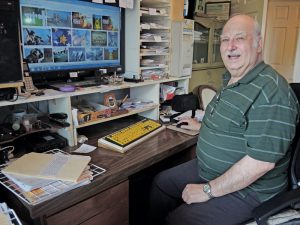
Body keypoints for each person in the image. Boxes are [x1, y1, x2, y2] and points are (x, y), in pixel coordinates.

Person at [149, 14, 299, 225]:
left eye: (239, 38)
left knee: (180, 220)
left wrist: (207, 191)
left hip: (252, 190)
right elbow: (234, 125)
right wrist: (202, 127)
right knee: (160, 184)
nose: (230, 46)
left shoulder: (272, 93)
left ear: (259, 44)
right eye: (225, 39)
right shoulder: (234, 78)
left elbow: (261, 163)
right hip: (211, 169)